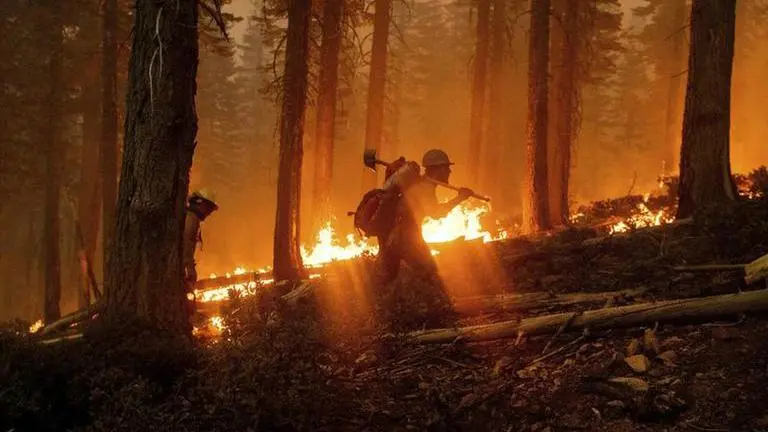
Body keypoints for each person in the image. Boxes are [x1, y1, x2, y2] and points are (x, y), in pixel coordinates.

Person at [376, 149, 474, 286]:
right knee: (430, 272)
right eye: (446, 168)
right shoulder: (425, 188)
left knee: (387, 279)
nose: (449, 171)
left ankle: (382, 304)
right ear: (437, 169)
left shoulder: (421, 184)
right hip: (406, 236)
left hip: (393, 236)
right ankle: (430, 304)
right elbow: (436, 213)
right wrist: (460, 198)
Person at [183, 188, 219, 310]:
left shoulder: (190, 216)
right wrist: (189, 269)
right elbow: (186, 242)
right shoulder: (191, 218)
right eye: (208, 208)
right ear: (200, 203)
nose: (209, 213)